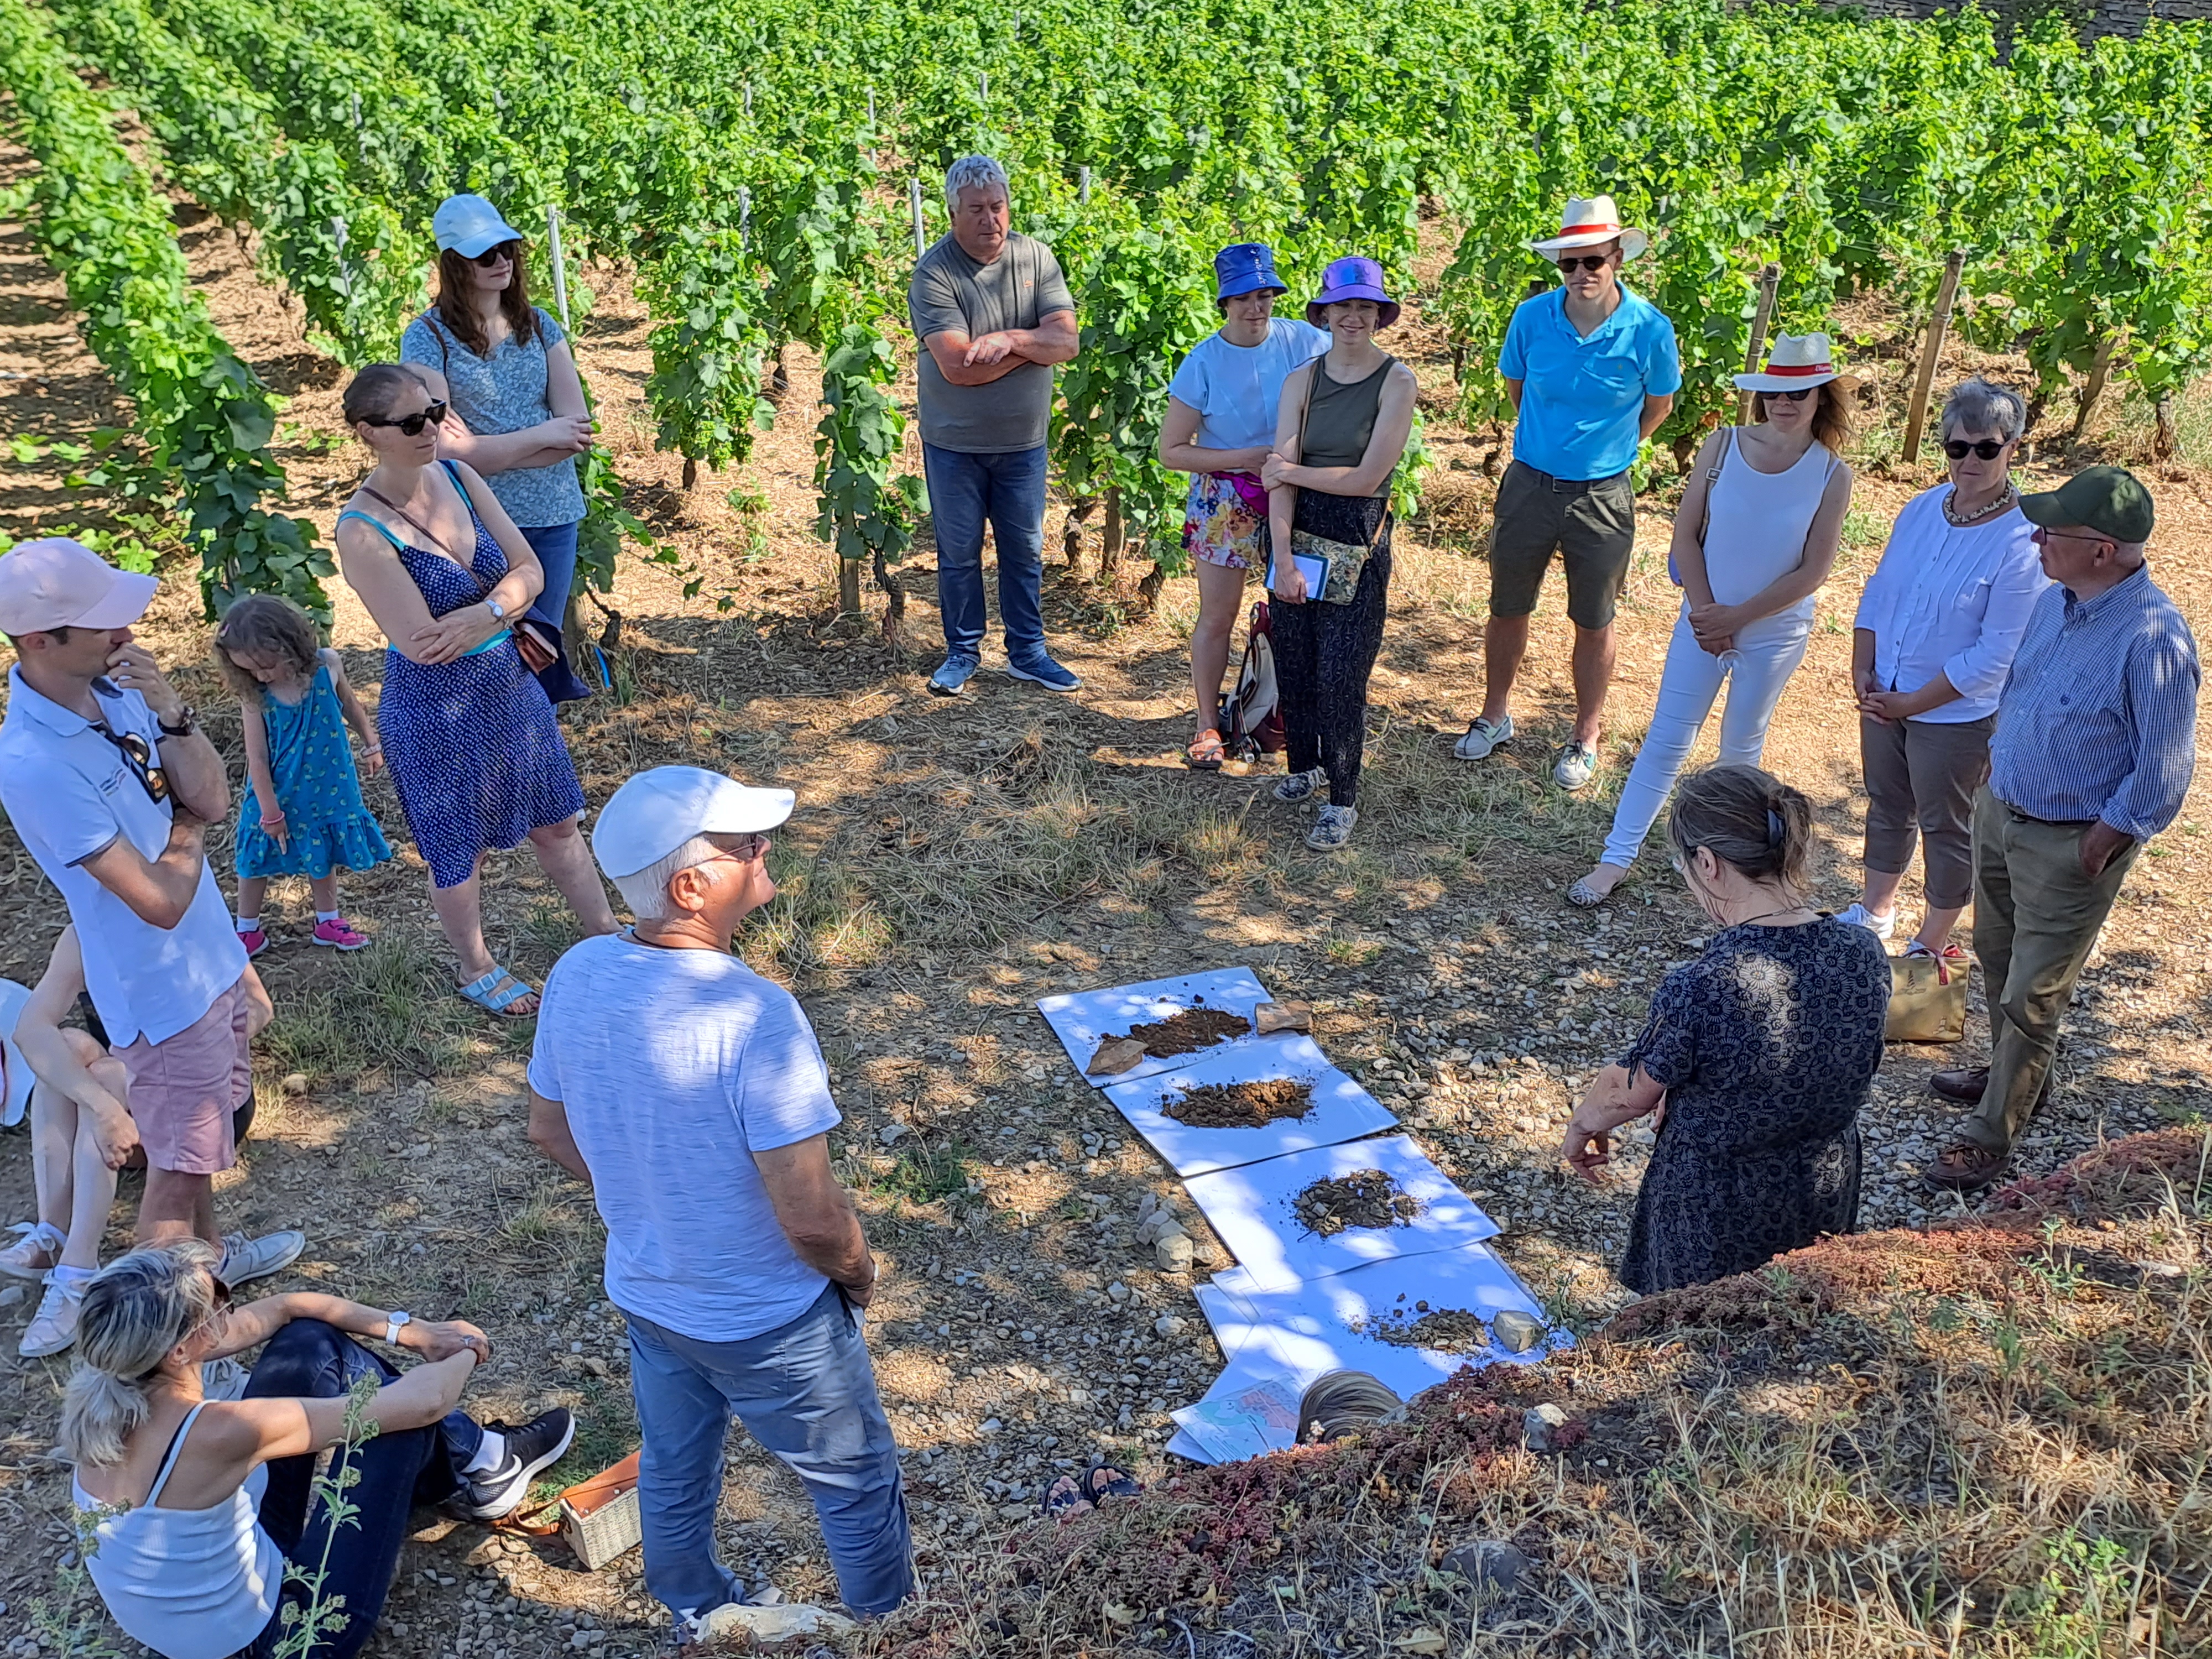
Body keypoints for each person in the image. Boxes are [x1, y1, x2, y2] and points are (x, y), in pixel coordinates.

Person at [526, 766, 911, 1630]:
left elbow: (548, 1131)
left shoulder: (578, 971)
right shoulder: (755, 1015)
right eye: (745, 845)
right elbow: (810, 1216)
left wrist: (650, 1198)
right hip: (768, 1317)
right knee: (854, 1483)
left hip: (651, 1295)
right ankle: (893, 1634)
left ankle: (698, 1614)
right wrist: (857, 1272)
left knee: (673, 1463)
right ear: (691, 887)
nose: (764, 849)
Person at [0, 539, 301, 1282]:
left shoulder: (119, 690)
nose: (127, 631)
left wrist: (172, 713)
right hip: (161, 996)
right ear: (39, 641)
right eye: (103, 622)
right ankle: (164, 1343)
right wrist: (188, 827)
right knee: (171, 1185)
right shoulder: (36, 764)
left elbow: (214, 795)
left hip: (210, 963)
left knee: (199, 1153)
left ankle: (215, 1260)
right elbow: (160, 900)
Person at [64, 1239, 572, 1659]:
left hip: (219, 1607)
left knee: (307, 1344)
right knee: (391, 1421)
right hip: (283, 1640)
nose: (228, 1305)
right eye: (216, 1300)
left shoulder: (108, 1389)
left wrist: (414, 1333)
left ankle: (477, 1458)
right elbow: (425, 1403)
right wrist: (465, 1347)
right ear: (180, 1350)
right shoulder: (217, 1434)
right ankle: (482, 1468)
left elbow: (290, 1308)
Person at [1924, 466, 2200, 1192]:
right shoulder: (2055, 602)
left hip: (2070, 842)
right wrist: (1995, 766)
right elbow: (2022, 690)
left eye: (2052, 531)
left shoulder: (2154, 639)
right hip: (2001, 814)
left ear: (2103, 550)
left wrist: (2103, 840)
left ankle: (1990, 1135)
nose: (2036, 539)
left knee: (2032, 993)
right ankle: (2012, 1076)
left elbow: (2164, 768)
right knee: (1996, 955)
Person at [332, 364, 618, 1018]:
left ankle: (606, 934)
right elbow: (422, 645)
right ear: (368, 433)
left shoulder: (461, 476)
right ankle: (476, 965)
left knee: (558, 822)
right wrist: (504, 606)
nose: (430, 429)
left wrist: (485, 615)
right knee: (460, 849)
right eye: (411, 423)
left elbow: (532, 570)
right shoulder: (361, 530)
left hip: (510, 686)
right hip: (435, 710)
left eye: (434, 412)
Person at [1562, 765, 1891, 1292]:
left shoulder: (1705, 983)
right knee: (1797, 1310)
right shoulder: (1864, 951)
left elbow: (1629, 1093)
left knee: (1697, 1323)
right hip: (1823, 1182)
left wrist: (1582, 1126)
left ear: (1708, 863)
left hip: (1718, 1204)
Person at [1568, 336, 1856, 907]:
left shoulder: (1831, 474)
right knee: (1666, 739)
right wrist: (1708, 616)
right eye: (1775, 392)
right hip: (1702, 620)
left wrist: (1737, 618)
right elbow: (1685, 535)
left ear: (1820, 397)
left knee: (1740, 750)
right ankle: (1615, 858)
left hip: (1774, 632)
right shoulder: (1722, 445)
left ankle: (1718, 867)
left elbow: (1814, 570)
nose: (1785, 403)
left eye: (1799, 393)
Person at [1454, 195, 1681, 790]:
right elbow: (1517, 389)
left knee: (1594, 618)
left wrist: (1607, 451)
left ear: (1617, 259)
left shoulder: (1650, 330)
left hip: (1603, 496)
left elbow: (1659, 407)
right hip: (1529, 485)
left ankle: (1585, 734)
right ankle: (1494, 715)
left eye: (1593, 261)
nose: (1581, 273)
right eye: (1569, 263)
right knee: (1507, 606)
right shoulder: (1531, 318)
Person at [1840, 377, 2048, 960]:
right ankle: (1874, 910)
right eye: (1958, 447)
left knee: (1945, 823)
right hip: (1885, 693)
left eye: (1986, 448)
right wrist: (1863, 666)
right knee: (1886, 803)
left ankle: (1932, 938)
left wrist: (1913, 703)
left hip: (1956, 714)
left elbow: (1997, 653)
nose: (1970, 460)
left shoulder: (2023, 539)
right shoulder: (1920, 509)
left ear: (2013, 448)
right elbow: (1880, 591)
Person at [400, 194, 596, 705]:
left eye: (507, 248)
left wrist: (483, 449)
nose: (502, 261)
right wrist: (542, 435)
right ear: (454, 264)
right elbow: (442, 448)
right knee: (486, 663)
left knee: (539, 653)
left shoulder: (541, 325)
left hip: (552, 516)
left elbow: (575, 433)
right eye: (485, 254)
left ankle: (539, 750)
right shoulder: (427, 338)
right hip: (473, 526)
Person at [1259, 257, 1420, 851]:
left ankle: (1342, 797)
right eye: (1342, 305)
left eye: (1364, 306)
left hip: (1358, 532)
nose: (1353, 316)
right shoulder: (1302, 380)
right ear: (1324, 313)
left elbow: (1367, 478)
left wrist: (1291, 472)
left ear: (1379, 315)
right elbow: (1277, 482)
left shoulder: (1397, 382)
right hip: (1298, 528)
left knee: (1342, 673)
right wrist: (1282, 559)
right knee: (1296, 663)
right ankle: (1305, 766)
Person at [908, 155, 1081, 697]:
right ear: (952, 214)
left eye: (998, 207)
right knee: (959, 555)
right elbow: (958, 367)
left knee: (1024, 552)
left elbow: (1067, 342)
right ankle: (962, 653)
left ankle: (1028, 653)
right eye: (977, 210)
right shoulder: (934, 274)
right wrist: (1035, 348)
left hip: (1023, 443)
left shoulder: (1036, 258)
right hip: (954, 444)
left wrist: (1008, 341)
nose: (991, 219)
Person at [1159, 243, 1328, 769]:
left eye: (1264, 296)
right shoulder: (1202, 363)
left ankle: (1290, 717)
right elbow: (1172, 451)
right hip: (1225, 497)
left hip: (1296, 488)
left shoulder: (1305, 340)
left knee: (1301, 611)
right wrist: (1244, 458)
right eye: (1243, 299)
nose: (1256, 308)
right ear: (1225, 303)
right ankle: (1207, 723)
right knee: (1218, 615)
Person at [213, 594, 393, 956]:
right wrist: (270, 812)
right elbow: (257, 758)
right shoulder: (255, 695)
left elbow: (350, 704)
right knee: (255, 857)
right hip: (276, 790)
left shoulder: (328, 666)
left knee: (322, 848)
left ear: (289, 644)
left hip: (328, 785)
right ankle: (247, 930)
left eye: (266, 666)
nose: (260, 676)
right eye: (249, 670)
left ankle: (328, 921)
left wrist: (371, 742)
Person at [2, 929, 135, 1357]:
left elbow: (255, 1008)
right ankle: (52, 1231)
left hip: (187, 1100)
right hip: (123, 1102)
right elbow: (31, 1030)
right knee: (65, 1046)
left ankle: (79, 1269)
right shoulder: (87, 930)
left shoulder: (180, 920)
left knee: (108, 1075)